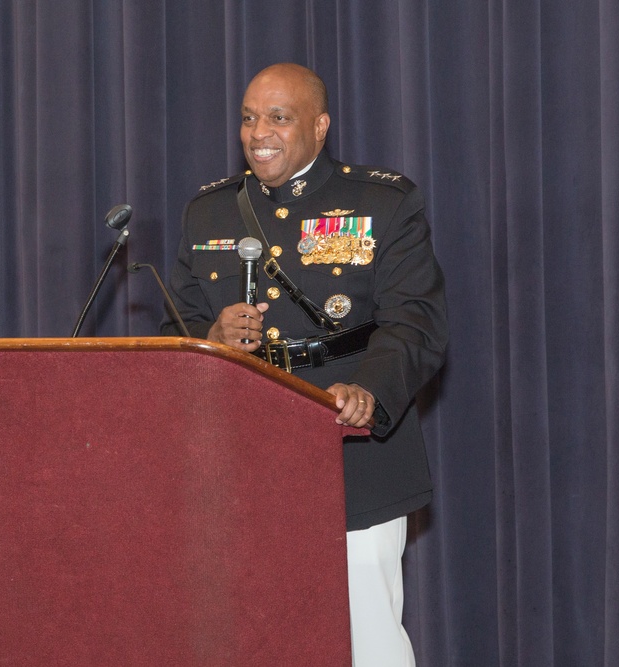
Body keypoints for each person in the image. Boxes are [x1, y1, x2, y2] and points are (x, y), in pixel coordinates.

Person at [163, 63, 448, 666]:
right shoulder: (208, 212)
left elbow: (416, 322)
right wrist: (212, 336)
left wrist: (369, 390)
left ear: (319, 127)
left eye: (278, 117)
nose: (258, 132)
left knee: (365, 637)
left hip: (351, 446)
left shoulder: (380, 202)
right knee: (249, 633)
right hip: (238, 451)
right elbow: (175, 330)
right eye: (248, 118)